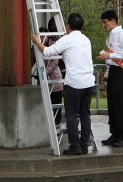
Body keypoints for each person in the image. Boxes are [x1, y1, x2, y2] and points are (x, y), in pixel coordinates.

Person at [31, 13, 95, 155]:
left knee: (71, 115)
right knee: (85, 114)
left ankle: (75, 146)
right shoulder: (86, 40)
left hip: (74, 83)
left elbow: (47, 52)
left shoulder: (67, 39)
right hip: (88, 82)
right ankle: (84, 144)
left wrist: (37, 41)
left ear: (68, 26)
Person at [96, 10, 123, 148]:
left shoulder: (122, 34)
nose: (103, 25)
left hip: (121, 72)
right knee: (112, 104)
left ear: (113, 21)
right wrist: (106, 73)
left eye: (105, 22)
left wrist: (110, 56)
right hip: (113, 70)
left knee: (120, 104)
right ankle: (115, 133)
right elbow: (110, 56)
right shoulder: (111, 36)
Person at [42, 18, 63, 127]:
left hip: (54, 77)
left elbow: (55, 60)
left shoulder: (54, 42)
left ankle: (57, 123)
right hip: (44, 77)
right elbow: (32, 57)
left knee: (56, 101)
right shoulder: (40, 45)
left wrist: (45, 72)